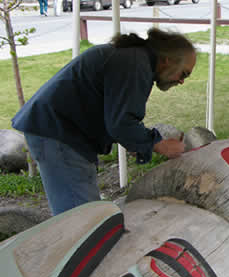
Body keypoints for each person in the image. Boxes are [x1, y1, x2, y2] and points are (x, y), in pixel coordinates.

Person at [11, 28, 197, 216]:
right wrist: (158, 144)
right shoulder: (134, 63)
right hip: (58, 133)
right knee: (81, 222)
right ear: (167, 60)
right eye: (184, 74)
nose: (181, 81)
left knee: (85, 215)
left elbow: (118, 117)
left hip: (60, 132)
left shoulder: (135, 58)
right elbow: (122, 123)